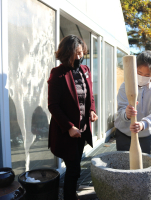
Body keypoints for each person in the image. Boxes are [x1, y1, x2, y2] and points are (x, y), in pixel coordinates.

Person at [48, 35, 98, 200]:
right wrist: (69, 126)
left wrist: (91, 110)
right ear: (66, 53)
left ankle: (72, 194)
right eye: (75, 54)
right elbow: (53, 106)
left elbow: (89, 96)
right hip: (66, 131)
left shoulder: (85, 70)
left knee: (75, 167)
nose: (79, 57)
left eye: (81, 53)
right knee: (74, 169)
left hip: (82, 130)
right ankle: (70, 197)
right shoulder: (58, 74)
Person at [114, 51, 151, 154]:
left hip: (143, 136)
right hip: (124, 133)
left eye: (147, 75)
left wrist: (143, 124)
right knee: (124, 163)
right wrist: (126, 114)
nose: (142, 77)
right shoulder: (125, 86)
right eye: (139, 73)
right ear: (134, 69)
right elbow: (121, 108)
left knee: (142, 164)